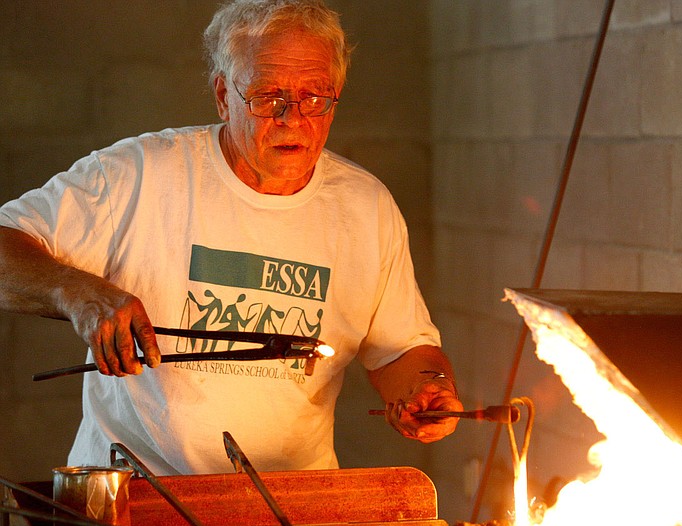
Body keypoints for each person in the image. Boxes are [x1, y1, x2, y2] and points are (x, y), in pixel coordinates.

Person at [0, 0, 461, 475]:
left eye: (316, 98)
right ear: (223, 95)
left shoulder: (367, 208)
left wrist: (424, 388)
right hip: (136, 503)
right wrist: (76, 292)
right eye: (267, 97)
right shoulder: (138, 176)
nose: (293, 118)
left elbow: (402, 349)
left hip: (288, 511)